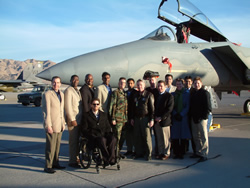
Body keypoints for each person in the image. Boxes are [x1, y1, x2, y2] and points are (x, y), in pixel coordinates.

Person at [81, 98, 117, 166]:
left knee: (113, 139)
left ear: (99, 105)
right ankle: (106, 158)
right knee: (102, 140)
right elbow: (84, 129)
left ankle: (112, 158)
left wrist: (109, 133)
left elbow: (107, 127)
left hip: (103, 134)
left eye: (97, 104)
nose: (96, 106)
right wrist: (91, 134)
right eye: (94, 104)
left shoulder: (103, 115)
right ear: (91, 105)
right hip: (94, 136)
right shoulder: (86, 115)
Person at [42, 76, 66, 174]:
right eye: (54, 82)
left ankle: (56, 163)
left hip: (59, 124)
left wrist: (63, 123)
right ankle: (48, 165)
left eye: (58, 82)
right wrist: (48, 125)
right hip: (51, 124)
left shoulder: (62, 94)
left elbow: (62, 110)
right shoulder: (47, 94)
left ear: (60, 84)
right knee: (50, 147)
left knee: (57, 146)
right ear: (51, 83)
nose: (56, 84)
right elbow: (45, 111)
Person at [131, 79, 154, 161]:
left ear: (144, 85)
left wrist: (152, 119)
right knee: (137, 137)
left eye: (141, 85)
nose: (139, 86)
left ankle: (148, 154)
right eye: (138, 85)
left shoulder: (149, 95)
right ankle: (139, 153)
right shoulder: (136, 95)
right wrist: (132, 118)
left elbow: (152, 109)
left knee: (147, 137)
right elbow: (133, 108)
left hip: (145, 118)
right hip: (137, 118)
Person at [189, 77, 212, 162]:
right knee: (195, 136)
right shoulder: (193, 93)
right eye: (195, 83)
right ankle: (198, 152)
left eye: (198, 83)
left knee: (203, 136)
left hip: (202, 118)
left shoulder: (205, 93)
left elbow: (208, 107)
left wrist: (204, 117)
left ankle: (204, 153)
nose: (196, 85)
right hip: (194, 118)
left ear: (201, 84)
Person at [64, 75, 82, 168]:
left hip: (79, 120)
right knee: (73, 141)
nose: (75, 81)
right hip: (73, 120)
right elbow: (67, 106)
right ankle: (72, 161)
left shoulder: (77, 90)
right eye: (74, 79)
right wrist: (72, 119)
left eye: (77, 79)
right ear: (70, 80)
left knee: (77, 140)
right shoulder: (68, 90)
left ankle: (77, 157)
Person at [171, 78, 191, 159]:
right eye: (177, 84)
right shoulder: (173, 94)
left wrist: (182, 114)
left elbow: (187, 106)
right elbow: (171, 106)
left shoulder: (187, 94)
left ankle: (182, 152)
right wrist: (175, 113)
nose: (178, 86)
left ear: (183, 85)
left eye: (180, 84)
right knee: (175, 136)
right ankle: (176, 153)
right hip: (175, 118)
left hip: (183, 118)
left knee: (183, 136)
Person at [154, 80, 174, 160]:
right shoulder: (156, 96)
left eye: (161, 86)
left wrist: (161, 117)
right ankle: (160, 152)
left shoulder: (169, 96)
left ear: (165, 87)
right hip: (156, 120)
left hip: (165, 121)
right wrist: (155, 117)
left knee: (166, 138)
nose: (160, 88)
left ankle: (166, 153)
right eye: (158, 86)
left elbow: (169, 109)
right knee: (159, 138)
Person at [109, 77, 128, 159]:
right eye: (121, 82)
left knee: (122, 138)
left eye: (124, 83)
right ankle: (115, 154)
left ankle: (118, 152)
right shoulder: (115, 93)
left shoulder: (125, 93)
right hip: (117, 119)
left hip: (124, 119)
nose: (122, 84)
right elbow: (112, 106)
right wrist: (112, 118)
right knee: (117, 137)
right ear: (118, 83)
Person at [145, 76, 159, 158]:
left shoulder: (158, 90)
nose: (151, 81)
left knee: (157, 135)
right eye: (150, 80)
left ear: (155, 80)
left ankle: (157, 151)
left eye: (153, 80)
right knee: (148, 135)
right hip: (148, 115)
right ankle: (148, 151)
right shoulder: (147, 90)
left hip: (156, 116)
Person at [124, 78, 137, 156]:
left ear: (134, 84)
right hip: (126, 117)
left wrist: (133, 117)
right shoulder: (124, 93)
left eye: (131, 83)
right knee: (128, 135)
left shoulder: (136, 93)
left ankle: (135, 149)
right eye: (128, 83)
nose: (130, 85)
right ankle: (129, 149)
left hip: (133, 116)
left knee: (134, 134)